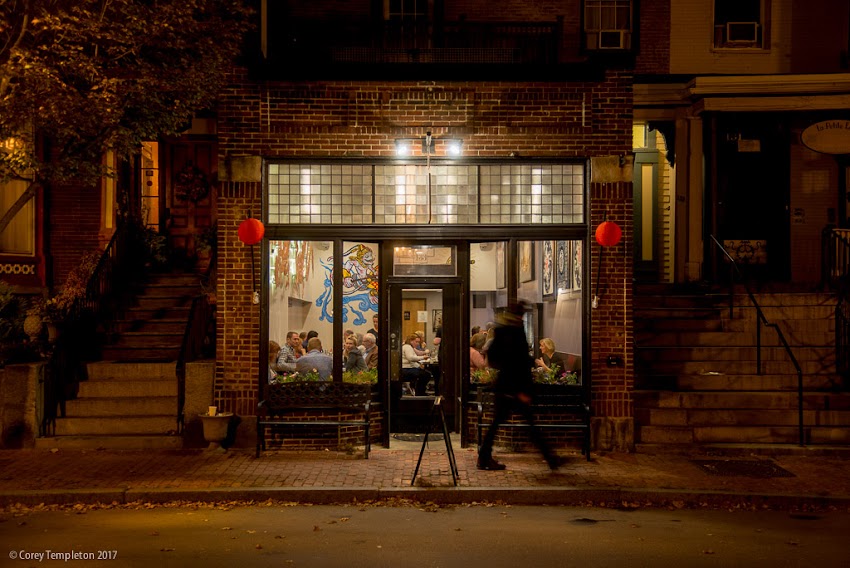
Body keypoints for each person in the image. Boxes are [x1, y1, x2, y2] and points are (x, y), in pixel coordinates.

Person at [477, 301, 560, 471]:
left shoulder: (502, 330)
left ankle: (484, 457)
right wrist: (522, 389)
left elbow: (496, 358)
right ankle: (550, 458)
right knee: (529, 425)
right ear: (521, 315)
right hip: (514, 388)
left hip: (505, 386)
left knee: (499, 425)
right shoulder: (514, 332)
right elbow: (518, 361)